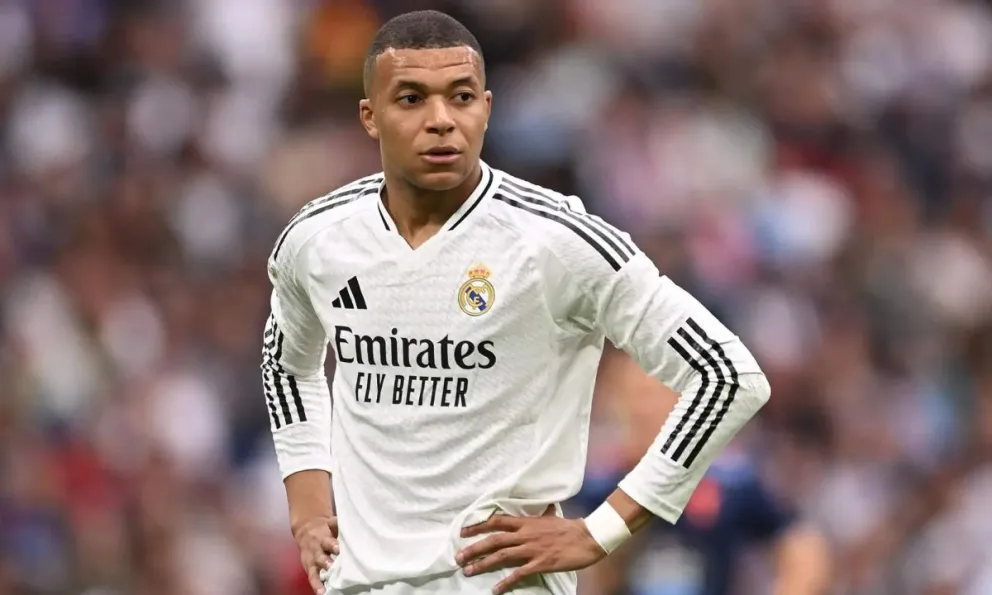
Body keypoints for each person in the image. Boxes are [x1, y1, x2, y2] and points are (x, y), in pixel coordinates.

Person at [260, 9, 771, 595]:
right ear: (370, 116)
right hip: (361, 583)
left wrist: (603, 528)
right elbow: (286, 363)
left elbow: (728, 374)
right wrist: (307, 504)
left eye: (461, 97)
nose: (441, 120)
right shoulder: (318, 238)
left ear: (486, 108)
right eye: (411, 99)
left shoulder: (557, 241)